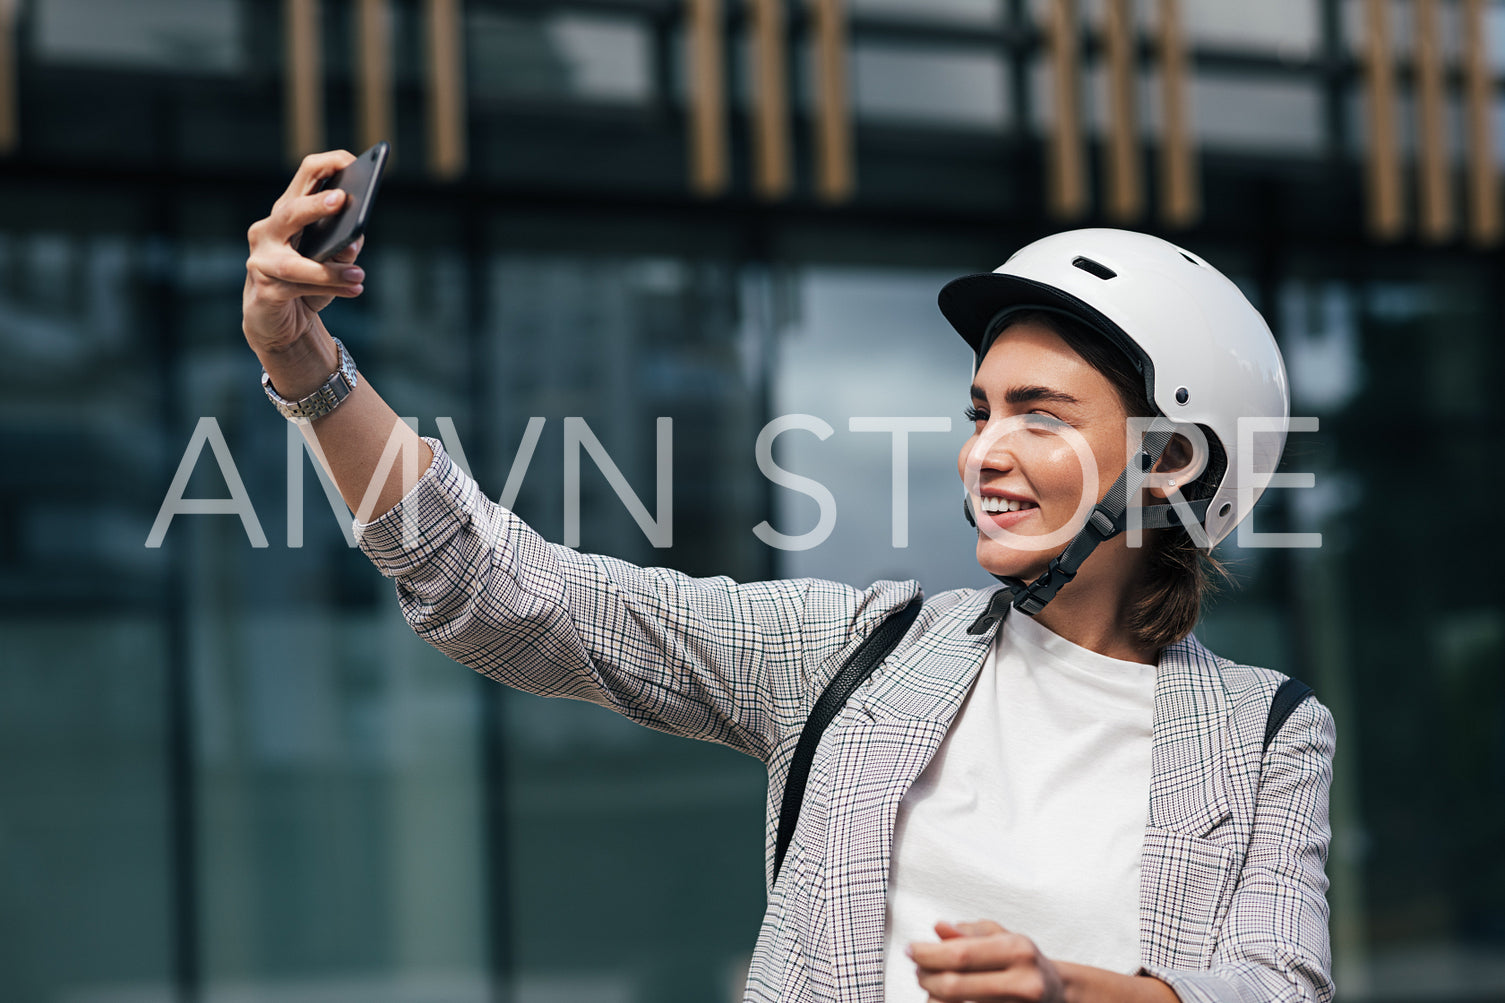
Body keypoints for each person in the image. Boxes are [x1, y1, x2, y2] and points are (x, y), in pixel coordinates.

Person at [243, 151, 1335, 1003]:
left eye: (1037, 417)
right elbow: (506, 590)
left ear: (1171, 460)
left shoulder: (1265, 730)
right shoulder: (858, 651)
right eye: (980, 412)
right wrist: (304, 364)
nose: (984, 452)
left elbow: (1276, 983)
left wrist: (1067, 988)